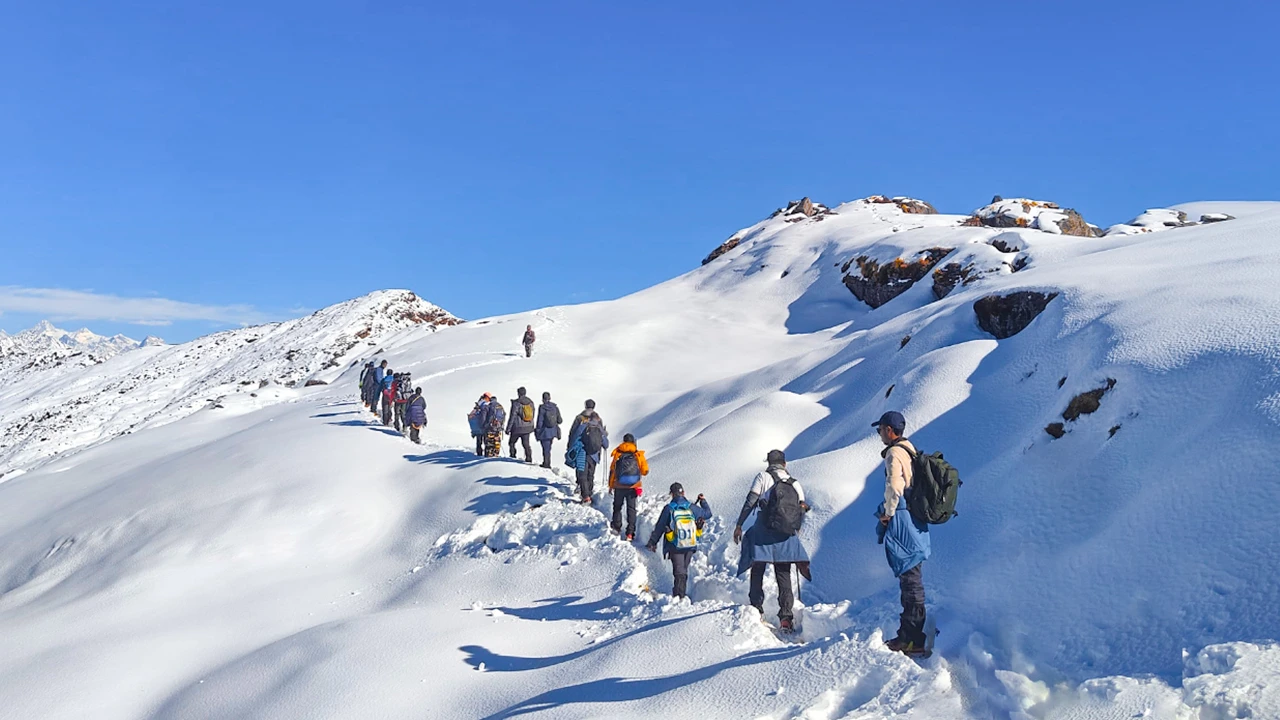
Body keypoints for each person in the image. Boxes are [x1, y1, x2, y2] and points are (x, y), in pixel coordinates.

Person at [733, 449, 811, 633]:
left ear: (769, 463)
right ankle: (786, 618)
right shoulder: (794, 483)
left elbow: (750, 502)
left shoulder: (762, 477)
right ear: (784, 464)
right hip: (785, 534)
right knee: (783, 574)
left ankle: (756, 609)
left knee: (757, 569)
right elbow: (802, 508)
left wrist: (739, 524)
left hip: (763, 531)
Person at [874, 410, 931, 655]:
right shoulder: (910, 449)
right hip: (915, 519)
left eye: (880, 430)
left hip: (903, 519)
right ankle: (912, 633)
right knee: (912, 576)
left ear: (889, 429)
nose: (879, 435)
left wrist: (887, 511)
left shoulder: (895, 453)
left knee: (909, 579)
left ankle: (911, 638)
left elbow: (895, 485)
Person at [646, 483, 712, 599]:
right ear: (683, 493)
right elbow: (708, 514)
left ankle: (679, 597)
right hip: (690, 545)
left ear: (672, 494)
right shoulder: (691, 507)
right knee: (683, 570)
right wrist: (703, 501)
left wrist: (652, 542)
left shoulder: (669, 509)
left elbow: (660, 527)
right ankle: (680, 594)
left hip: (675, 545)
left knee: (679, 571)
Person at [567, 400, 609, 504]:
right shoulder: (599, 422)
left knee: (582, 474)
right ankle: (589, 493)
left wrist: (570, 448)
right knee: (590, 474)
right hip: (595, 453)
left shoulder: (581, 420)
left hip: (582, 452)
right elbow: (604, 441)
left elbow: (574, 434)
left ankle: (585, 496)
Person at [608, 433, 649, 540]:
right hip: (633, 486)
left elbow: (612, 470)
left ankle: (616, 527)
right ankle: (630, 533)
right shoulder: (638, 454)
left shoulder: (618, 453)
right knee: (631, 509)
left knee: (617, 507)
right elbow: (645, 471)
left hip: (619, 485)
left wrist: (611, 485)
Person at [506, 387, 536, 463]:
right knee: (526, 444)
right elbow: (533, 415)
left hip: (517, 428)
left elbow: (512, 416)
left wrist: (508, 429)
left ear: (518, 393)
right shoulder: (531, 402)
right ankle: (529, 458)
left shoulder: (516, 403)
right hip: (527, 428)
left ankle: (512, 456)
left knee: (511, 443)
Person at [534, 392, 562, 468]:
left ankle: (546, 463)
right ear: (550, 398)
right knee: (548, 447)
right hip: (553, 431)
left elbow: (540, 420)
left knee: (545, 448)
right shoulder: (555, 407)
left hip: (545, 431)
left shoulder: (542, 408)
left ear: (543, 399)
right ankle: (547, 462)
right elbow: (560, 420)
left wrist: (538, 430)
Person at [483, 394, 506, 458]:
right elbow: (504, 415)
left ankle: (489, 455)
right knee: (497, 442)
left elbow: (484, 417)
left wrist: (484, 425)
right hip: (498, 427)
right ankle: (496, 454)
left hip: (490, 427)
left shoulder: (489, 406)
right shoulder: (500, 406)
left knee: (489, 442)